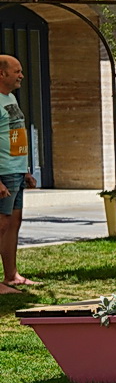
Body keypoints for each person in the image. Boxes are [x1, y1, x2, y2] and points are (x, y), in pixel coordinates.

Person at [0, 54, 38, 293]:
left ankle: (11, 276)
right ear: (2, 74)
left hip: (15, 172)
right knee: (1, 224)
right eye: (17, 71)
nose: (21, 76)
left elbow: (15, 135)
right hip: (3, 173)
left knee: (13, 222)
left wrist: (24, 170)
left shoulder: (10, 98)